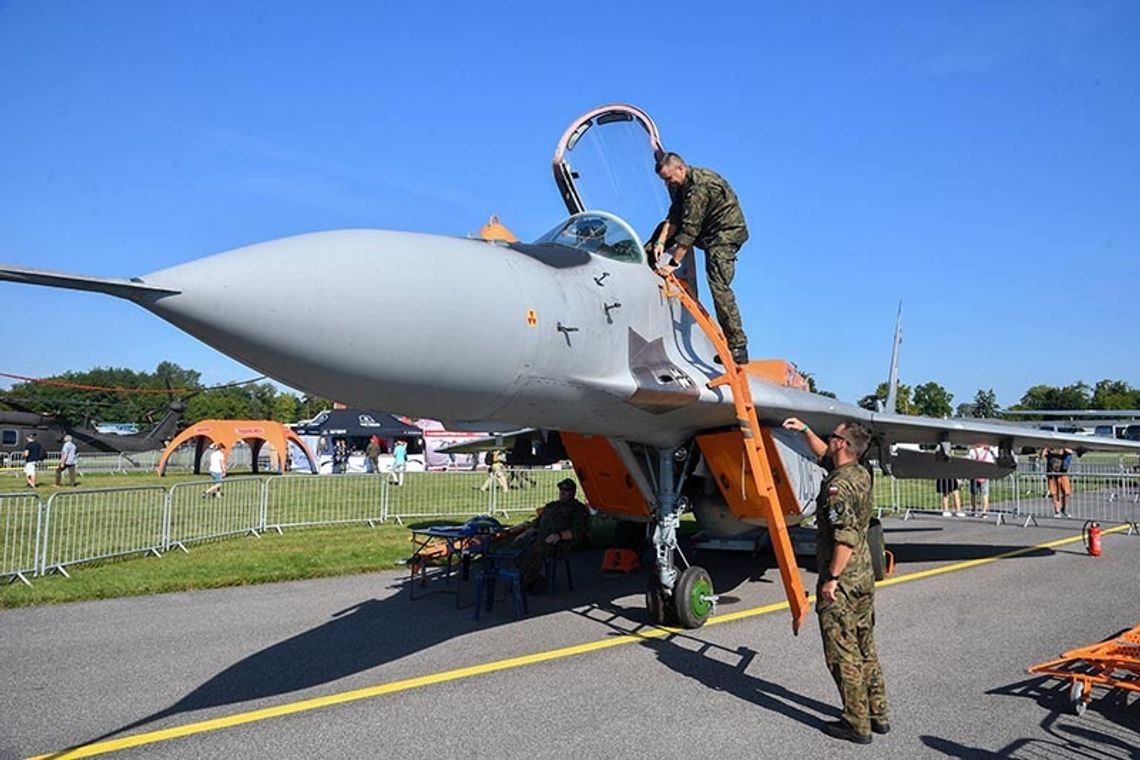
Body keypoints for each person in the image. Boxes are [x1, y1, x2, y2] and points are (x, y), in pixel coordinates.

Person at [782, 417, 889, 744]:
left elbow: (843, 539)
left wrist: (830, 578)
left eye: (833, 437)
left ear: (842, 444)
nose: (829, 441)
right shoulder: (859, 474)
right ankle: (878, 714)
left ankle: (856, 723)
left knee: (842, 654)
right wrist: (804, 431)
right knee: (864, 645)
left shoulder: (838, 487)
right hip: (863, 577)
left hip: (842, 579)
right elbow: (826, 454)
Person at [650, 152, 750, 365]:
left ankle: (738, 347)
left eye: (669, 178)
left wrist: (672, 264)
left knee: (718, 285)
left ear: (680, 169)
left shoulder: (698, 189)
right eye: (664, 180)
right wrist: (659, 243)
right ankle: (646, 261)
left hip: (725, 234)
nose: (668, 183)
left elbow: (688, 233)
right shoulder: (681, 186)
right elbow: (674, 217)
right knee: (663, 230)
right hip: (707, 230)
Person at [512, 478, 590, 592]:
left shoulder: (578, 509)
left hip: (560, 542)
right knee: (516, 547)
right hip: (540, 536)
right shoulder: (552, 506)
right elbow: (537, 522)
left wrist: (559, 536)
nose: (562, 492)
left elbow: (578, 530)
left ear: (572, 492)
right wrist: (526, 531)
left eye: (566, 490)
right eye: (561, 490)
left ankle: (524, 583)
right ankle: (533, 580)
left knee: (536, 551)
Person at [1041, 446, 1074, 517]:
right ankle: (1057, 511)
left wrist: (1063, 448)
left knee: (1066, 493)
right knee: (1055, 494)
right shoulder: (1049, 448)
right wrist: (1045, 449)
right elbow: (1042, 456)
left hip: (1063, 473)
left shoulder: (1063, 447)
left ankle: (1064, 509)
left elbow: (1071, 452)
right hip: (1052, 474)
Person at [967, 443, 996, 517]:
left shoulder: (972, 451)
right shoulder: (987, 453)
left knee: (973, 493)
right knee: (985, 494)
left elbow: (968, 460)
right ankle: (984, 511)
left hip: (974, 475)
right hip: (984, 475)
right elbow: (991, 462)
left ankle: (973, 509)